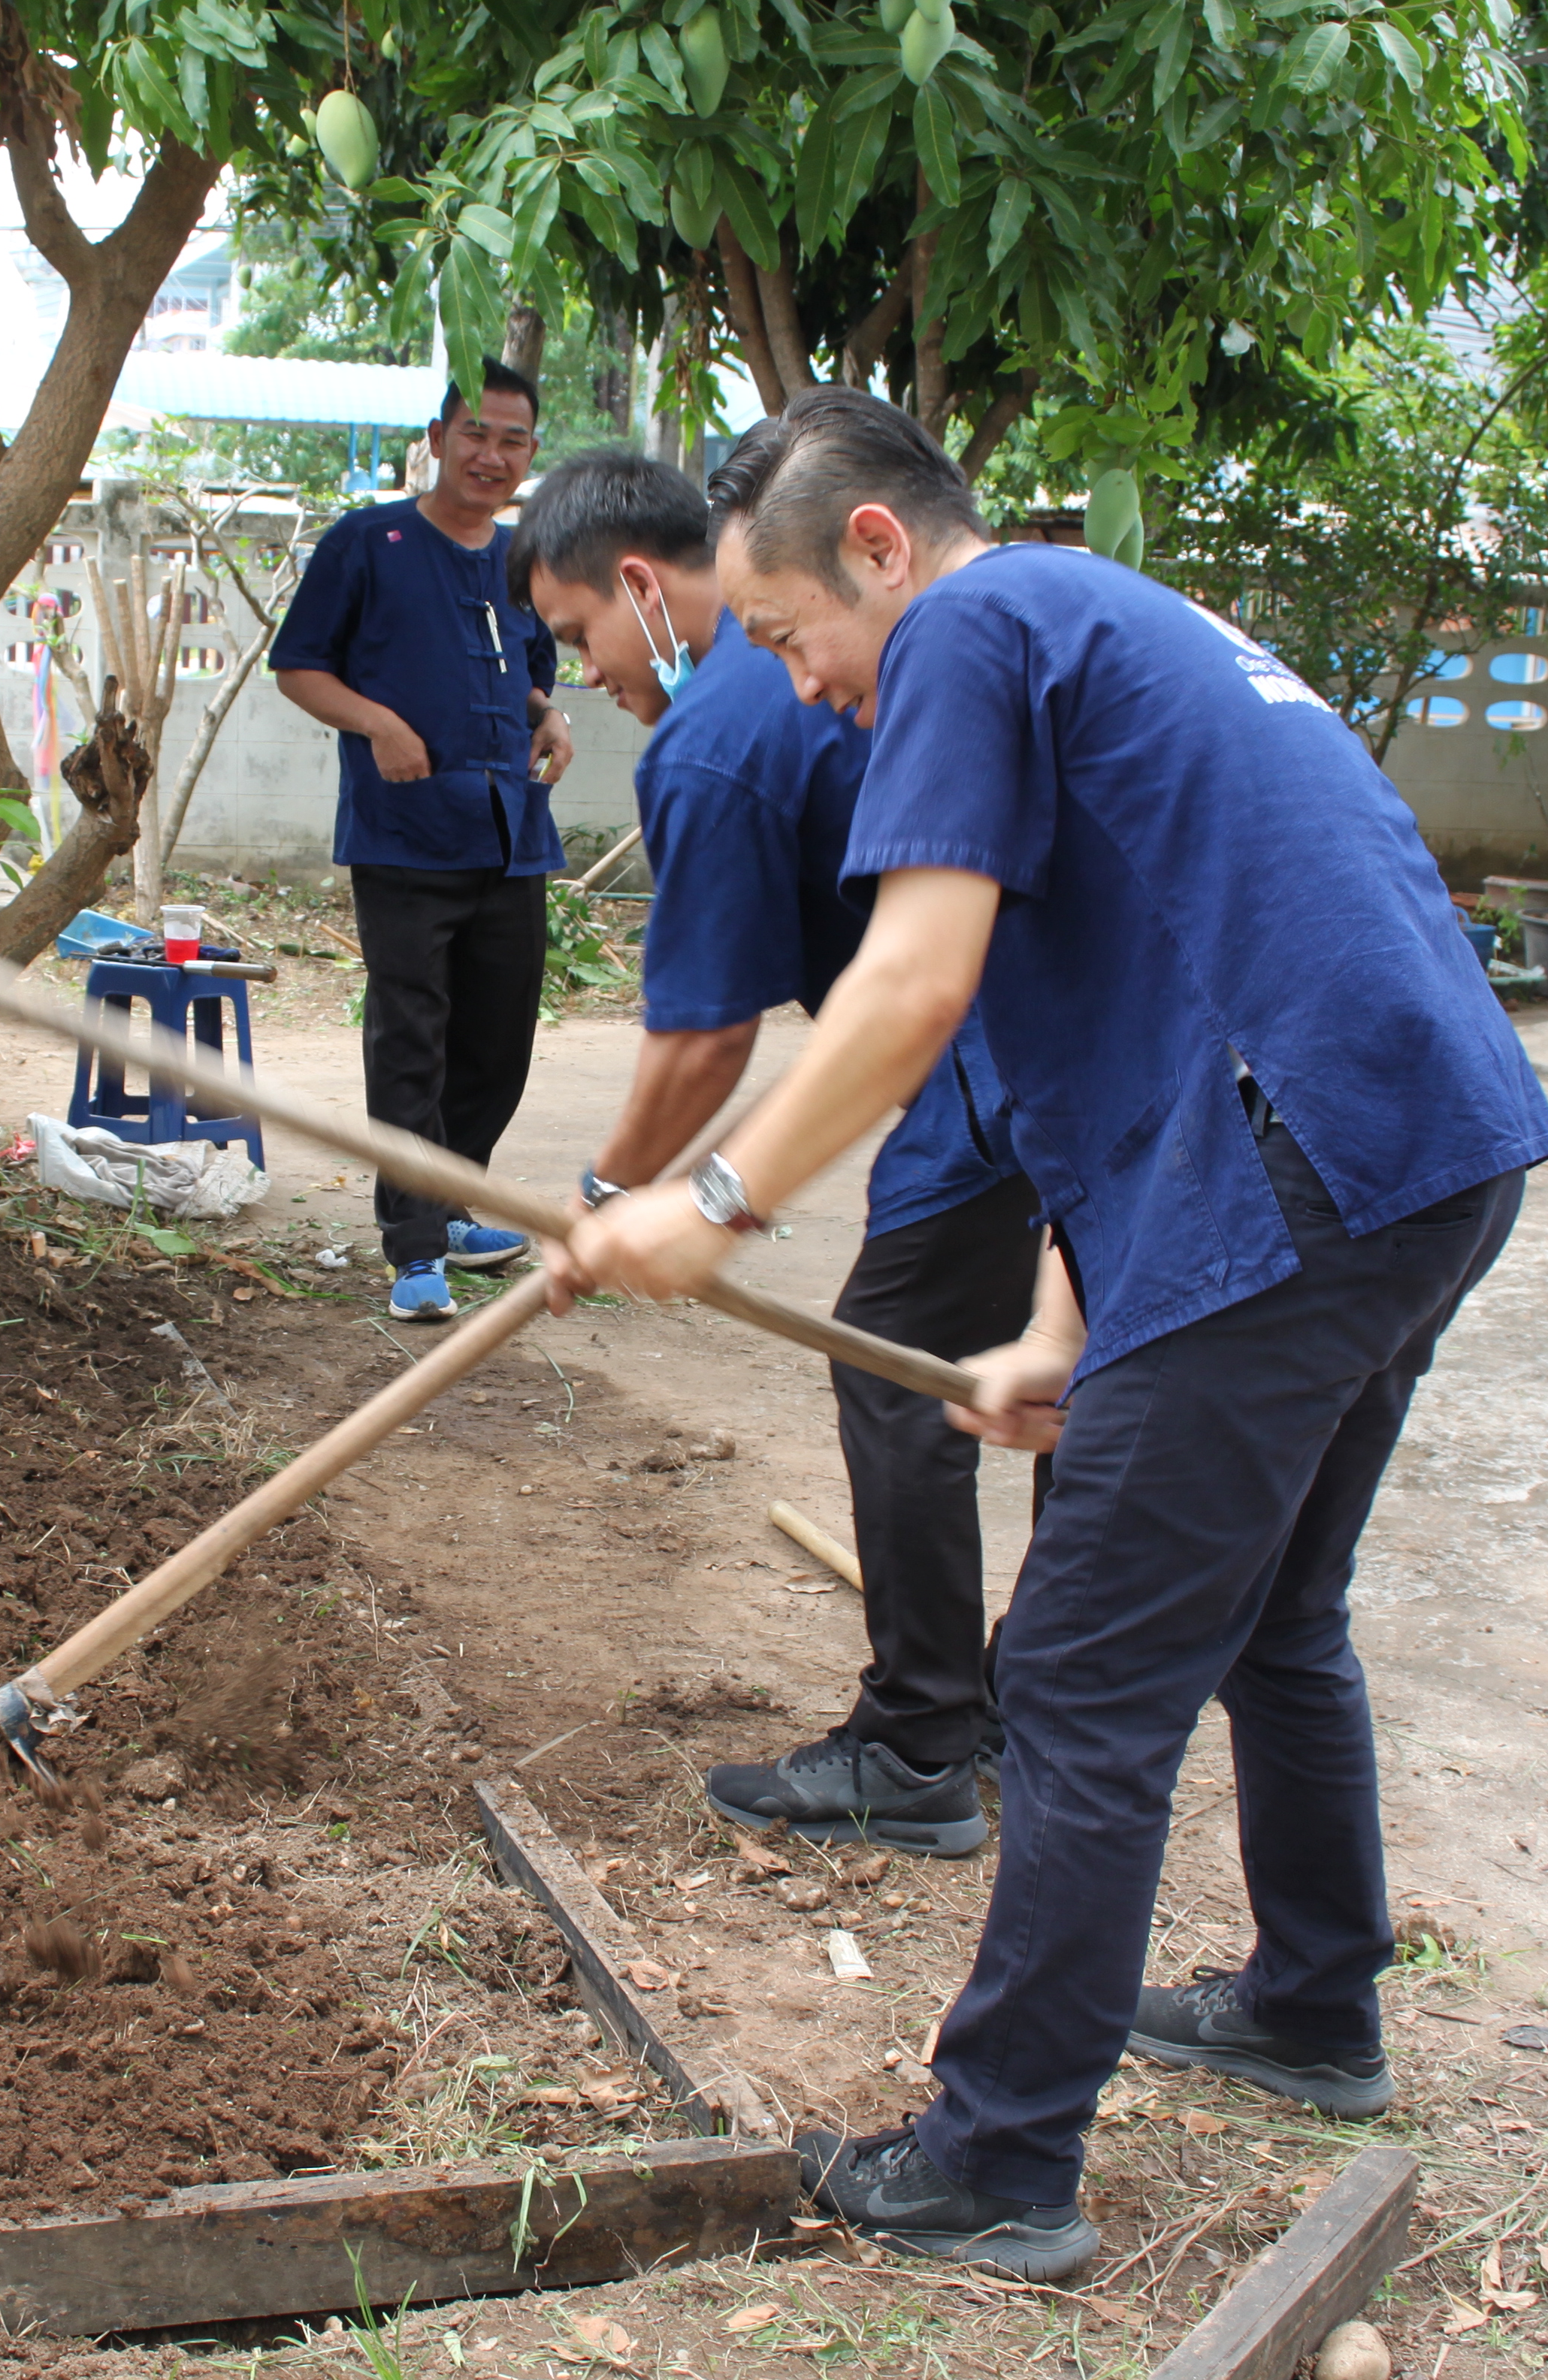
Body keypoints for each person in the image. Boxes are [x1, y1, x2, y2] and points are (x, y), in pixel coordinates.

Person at [546, 390, 1548, 2281]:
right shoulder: (1091, 627)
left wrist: (713, 1199)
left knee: (1082, 1681)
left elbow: (908, 986)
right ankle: (1311, 2003)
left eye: (787, 641)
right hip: (1418, 1142)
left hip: (1313, 1164)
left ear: (873, 551)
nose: (809, 687)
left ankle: (998, 2154)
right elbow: (1119, 1038)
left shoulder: (963, 626)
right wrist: (1053, 1325)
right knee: (1275, 1610)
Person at [508, 449, 1031, 1857]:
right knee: (1047, 1370)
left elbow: (701, 1045)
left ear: (640, 584)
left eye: (577, 637)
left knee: (897, 1353)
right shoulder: (773, 695)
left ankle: (924, 1744)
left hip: (984, 1046)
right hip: (1036, 1030)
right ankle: (1017, 1702)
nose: (590, 672)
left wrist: (610, 1201)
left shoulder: (715, 736)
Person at [271, 361, 578, 1323]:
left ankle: (451, 1204)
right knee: (412, 1038)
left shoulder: (528, 555)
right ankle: (412, 1249)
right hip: (404, 836)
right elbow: (299, 667)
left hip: (510, 833)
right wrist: (376, 723)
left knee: (499, 1040)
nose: (492, 455)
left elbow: (531, 673)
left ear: (532, 453)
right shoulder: (370, 542)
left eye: (513, 440)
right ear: (438, 437)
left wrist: (548, 719)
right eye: (476, 433)